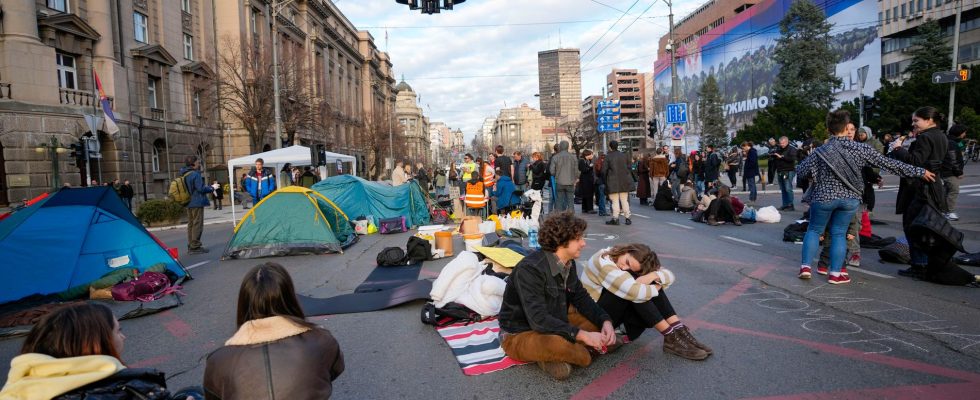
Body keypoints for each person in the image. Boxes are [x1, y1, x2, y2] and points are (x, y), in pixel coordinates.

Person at [797, 110, 933, 284]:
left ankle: (806, 267)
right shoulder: (860, 148)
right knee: (839, 234)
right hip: (850, 198)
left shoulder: (819, 152)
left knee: (814, 230)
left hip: (823, 198)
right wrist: (919, 171)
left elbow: (801, 171)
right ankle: (836, 274)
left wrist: (815, 174)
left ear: (829, 130)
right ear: (847, 128)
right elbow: (889, 164)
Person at [498, 212, 619, 380]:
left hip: (556, 321)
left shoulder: (569, 263)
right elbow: (538, 319)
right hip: (519, 333)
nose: (583, 244)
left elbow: (582, 298)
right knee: (580, 355)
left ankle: (560, 353)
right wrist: (584, 336)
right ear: (561, 241)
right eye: (578, 239)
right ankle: (559, 354)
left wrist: (605, 320)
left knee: (600, 330)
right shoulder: (530, 269)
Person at [0, 303, 201, 399]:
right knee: (194, 393)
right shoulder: (127, 391)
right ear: (94, 343)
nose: (124, 337)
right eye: (118, 330)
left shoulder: (16, 388)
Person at [204, 263, 344, 399]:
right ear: (290, 299)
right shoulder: (321, 340)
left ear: (244, 303)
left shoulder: (219, 360)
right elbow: (334, 370)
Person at [889, 107, 978, 285]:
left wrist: (898, 149)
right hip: (934, 184)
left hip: (920, 187)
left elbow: (915, 162)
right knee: (925, 226)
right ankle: (923, 263)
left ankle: (919, 264)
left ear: (929, 120)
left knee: (914, 226)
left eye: (916, 121)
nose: (913, 124)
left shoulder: (925, 137)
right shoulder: (941, 136)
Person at [582, 244, 711, 360]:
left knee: (645, 283)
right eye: (626, 262)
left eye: (629, 267)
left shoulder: (625, 257)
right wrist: (657, 286)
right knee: (637, 292)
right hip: (592, 316)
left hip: (609, 313)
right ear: (627, 250)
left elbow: (669, 275)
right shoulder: (603, 261)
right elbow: (634, 292)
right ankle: (670, 336)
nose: (624, 267)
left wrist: (653, 276)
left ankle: (680, 331)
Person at [182, 156, 213, 254]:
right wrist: (211, 188)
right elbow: (201, 188)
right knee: (197, 224)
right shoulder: (195, 174)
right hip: (197, 202)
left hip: (188, 202)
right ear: (193, 164)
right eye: (198, 162)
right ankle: (195, 246)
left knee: (191, 224)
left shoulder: (184, 174)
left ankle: (191, 244)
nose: (199, 164)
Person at [601, 140, 633, 226]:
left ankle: (615, 218)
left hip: (612, 182)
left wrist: (605, 180)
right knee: (624, 200)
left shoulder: (608, 157)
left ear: (610, 147)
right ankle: (627, 218)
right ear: (617, 146)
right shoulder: (624, 156)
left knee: (614, 201)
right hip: (624, 181)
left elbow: (604, 171)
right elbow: (629, 168)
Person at [941, 124, 967, 221]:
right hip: (950, 172)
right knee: (953, 191)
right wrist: (959, 172)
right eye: (964, 133)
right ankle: (950, 212)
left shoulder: (947, 140)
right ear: (959, 133)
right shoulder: (952, 143)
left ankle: (943, 211)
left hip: (944, 171)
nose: (964, 135)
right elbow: (953, 160)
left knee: (946, 192)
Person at [855, 128, 883, 216]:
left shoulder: (876, 143)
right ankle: (864, 207)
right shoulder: (859, 143)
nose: (860, 137)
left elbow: (879, 155)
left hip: (872, 169)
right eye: (859, 135)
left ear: (867, 133)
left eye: (862, 135)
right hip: (862, 169)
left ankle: (869, 208)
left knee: (868, 188)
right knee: (863, 188)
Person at [549, 141, 578, 213]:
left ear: (560, 147)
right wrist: (575, 179)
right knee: (570, 202)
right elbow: (576, 171)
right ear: (568, 147)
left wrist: (557, 175)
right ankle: (571, 218)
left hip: (559, 182)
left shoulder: (555, 157)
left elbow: (551, 171)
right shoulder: (573, 157)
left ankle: (559, 218)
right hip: (570, 182)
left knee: (559, 201)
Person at [772, 136, 798, 211]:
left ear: (787, 142)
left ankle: (790, 205)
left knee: (788, 188)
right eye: (780, 143)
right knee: (783, 189)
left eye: (783, 143)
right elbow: (777, 158)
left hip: (788, 171)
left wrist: (782, 157)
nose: (781, 145)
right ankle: (785, 204)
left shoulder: (792, 149)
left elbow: (793, 159)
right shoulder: (779, 149)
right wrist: (774, 156)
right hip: (780, 170)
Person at [578, 150, 596, 214]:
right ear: (587, 155)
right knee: (588, 194)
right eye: (591, 154)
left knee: (587, 194)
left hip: (588, 180)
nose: (592, 155)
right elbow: (583, 170)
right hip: (585, 180)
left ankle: (585, 208)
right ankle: (589, 209)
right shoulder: (582, 160)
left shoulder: (588, 160)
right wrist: (590, 167)